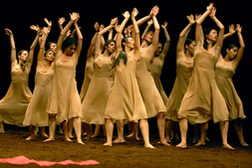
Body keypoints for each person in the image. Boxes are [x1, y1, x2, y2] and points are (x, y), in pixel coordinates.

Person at [176, 3, 234, 150]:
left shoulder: (217, 49)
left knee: (224, 114)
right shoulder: (199, 46)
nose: (215, 35)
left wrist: (214, 18)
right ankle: (183, 141)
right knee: (182, 112)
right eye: (212, 33)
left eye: (215, 34)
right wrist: (207, 12)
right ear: (207, 35)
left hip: (210, 85)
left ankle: (225, 142)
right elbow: (199, 23)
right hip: (195, 85)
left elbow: (222, 29)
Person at [104, 8, 154, 148]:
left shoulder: (136, 53)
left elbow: (137, 33)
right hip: (118, 88)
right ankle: (108, 141)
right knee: (109, 115)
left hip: (132, 87)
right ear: (125, 43)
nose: (133, 42)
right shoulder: (119, 52)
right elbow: (119, 33)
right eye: (130, 41)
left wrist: (133, 18)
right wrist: (125, 18)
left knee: (142, 115)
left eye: (133, 41)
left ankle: (147, 142)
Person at [44, 12, 83, 144]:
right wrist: (70, 22)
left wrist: (76, 24)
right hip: (58, 86)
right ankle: (51, 136)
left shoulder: (75, 57)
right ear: (65, 47)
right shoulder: (59, 54)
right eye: (71, 48)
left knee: (75, 112)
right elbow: (61, 36)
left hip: (71, 87)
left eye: (74, 48)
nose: (73, 50)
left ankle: (78, 138)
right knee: (53, 113)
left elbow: (81, 39)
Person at [135, 5, 168, 145]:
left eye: (151, 35)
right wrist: (148, 16)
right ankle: (129, 136)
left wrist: (154, 17)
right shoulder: (135, 46)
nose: (150, 35)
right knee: (138, 111)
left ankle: (162, 139)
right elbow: (136, 24)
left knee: (160, 110)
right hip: (133, 80)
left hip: (146, 80)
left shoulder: (150, 49)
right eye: (148, 34)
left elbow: (158, 29)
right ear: (144, 36)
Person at [81, 18, 118, 139]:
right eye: (111, 45)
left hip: (107, 85)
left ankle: (108, 137)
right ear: (106, 46)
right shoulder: (97, 54)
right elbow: (99, 35)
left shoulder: (113, 58)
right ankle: (89, 134)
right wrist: (110, 26)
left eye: (114, 45)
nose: (113, 47)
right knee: (85, 109)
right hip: (94, 85)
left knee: (106, 111)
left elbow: (118, 43)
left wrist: (116, 31)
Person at [0, 26, 39, 133]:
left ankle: (34, 129)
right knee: (0, 106)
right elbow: (13, 49)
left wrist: (37, 36)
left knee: (33, 107)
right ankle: (1, 127)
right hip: (12, 92)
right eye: (24, 54)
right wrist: (11, 36)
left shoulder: (28, 66)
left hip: (24, 93)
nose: (26, 56)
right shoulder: (14, 64)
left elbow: (32, 49)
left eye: (27, 55)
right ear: (19, 56)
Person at [215, 24, 248, 146]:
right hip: (217, 90)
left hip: (229, 91)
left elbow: (243, 46)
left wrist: (239, 33)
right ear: (227, 50)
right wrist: (229, 33)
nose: (235, 53)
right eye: (233, 50)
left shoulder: (234, 64)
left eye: (236, 51)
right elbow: (219, 40)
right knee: (219, 114)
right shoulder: (218, 59)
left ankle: (242, 140)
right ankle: (202, 139)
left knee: (237, 112)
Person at [165, 14, 196, 143]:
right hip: (179, 86)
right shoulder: (180, 55)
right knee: (171, 112)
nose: (195, 47)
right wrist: (190, 24)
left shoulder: (197, 58)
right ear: (187, 46)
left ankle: (197, 138)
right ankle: (167, 136)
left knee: (194, 113)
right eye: (193, 45)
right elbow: (181, 37)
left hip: (191, 87)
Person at [23, 24, 55, 141]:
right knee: (33, 110)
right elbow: (41, 49)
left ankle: (43, 131)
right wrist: (45, 35)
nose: (52, 55)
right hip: (38, 91)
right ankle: (32, 133)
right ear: (45, 56)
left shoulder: (53, 67)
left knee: (45, 111)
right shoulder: (40, 63)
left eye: (53, 54)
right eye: (50, 54)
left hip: (48, 92)